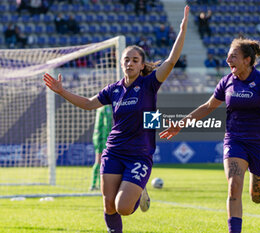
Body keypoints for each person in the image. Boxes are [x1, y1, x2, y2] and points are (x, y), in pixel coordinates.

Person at [43, 6, 189, 233]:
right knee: (109, 205)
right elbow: (89, 104)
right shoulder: (113, 90)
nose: (129, 63)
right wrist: (62, 91)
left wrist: (182, 30)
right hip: (113, 151)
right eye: (126, 60)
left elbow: (170, 61)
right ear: (121, 63)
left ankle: (139, 191)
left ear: (142, 65)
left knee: (122, 207)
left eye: (134, 60)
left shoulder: (149, 84)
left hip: (139, 154)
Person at [159, 37, 260, 233]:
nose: (228, 60)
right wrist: (181, 123)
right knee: (234, 185)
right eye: (228, 56)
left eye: (233, 56)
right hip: (235, 140)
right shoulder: (227, 81)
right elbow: (208, 106)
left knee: (257, 197)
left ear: (247, 60)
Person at [90, 105, 113, 191]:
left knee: (99, 160)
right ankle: (98, 184)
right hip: (102, 137)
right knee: (101, 161)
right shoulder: (106, 107)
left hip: (98, 136)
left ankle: (95, 184)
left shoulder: (100, 107)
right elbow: (107, 123)